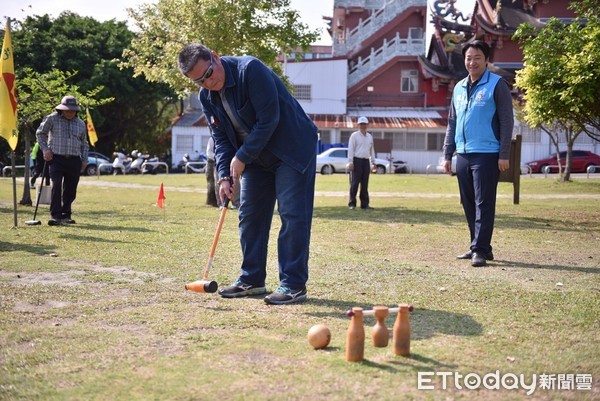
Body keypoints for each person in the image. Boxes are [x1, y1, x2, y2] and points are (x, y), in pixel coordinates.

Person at [178, 43, 318, 305]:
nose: (207, 83)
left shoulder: (250, 70)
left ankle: (293, 284)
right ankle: (252, 279)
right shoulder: (206, 97)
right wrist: (223, 176)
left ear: (216, 57)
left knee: (292, 215)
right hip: (255, 157)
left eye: (208, 74)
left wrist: (241, 157)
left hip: (291, 148)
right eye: (199, 81)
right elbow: (220, 138)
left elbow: (269, 120)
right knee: (250, 215)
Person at [443, 40, 513, 267]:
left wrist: (504, 153)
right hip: (463, 153)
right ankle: (479, 245)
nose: (472, 62)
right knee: (468, 202)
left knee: (484, 203)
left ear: (486, 60)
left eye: (477, 58)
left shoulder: (497, 84)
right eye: (468, 58)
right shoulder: (459, 87)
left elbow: (506, 121)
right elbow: (452, 123)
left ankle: (480, 250)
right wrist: (447, 154)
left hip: (487, 153)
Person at [36, 95, 89, 226]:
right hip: (56, 159)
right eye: (67, 110)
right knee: (57, 184)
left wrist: (85, 160)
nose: (70, 112)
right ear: (62, 109)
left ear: (76, 110)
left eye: (72, 110)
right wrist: (45, 149)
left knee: (71, 188)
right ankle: (55, 216)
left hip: (74, 160)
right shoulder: (52, 118)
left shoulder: (81, 124)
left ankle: (66, 214)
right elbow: (40, 133)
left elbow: (84, 143)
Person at [347, 116, 376, 210]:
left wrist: (373, 162)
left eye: (364, 124)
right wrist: (350, 162)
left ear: (367, 125)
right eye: (361, 124)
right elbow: (351, 149)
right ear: (358, 125)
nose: (363, 126)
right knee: (354, 183)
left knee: (365, 183)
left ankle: (364, 204)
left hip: (365, 161)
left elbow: (372, 151)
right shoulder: (354, 136)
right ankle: (352, 203)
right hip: (357, 160)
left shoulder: (370, 137)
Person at [205, 136, 219, 207]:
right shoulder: (212, 139)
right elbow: (209, 153)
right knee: (211, 184)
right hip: (211, 164)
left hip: (219, 163)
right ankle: (211, 202)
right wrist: (218, 157)